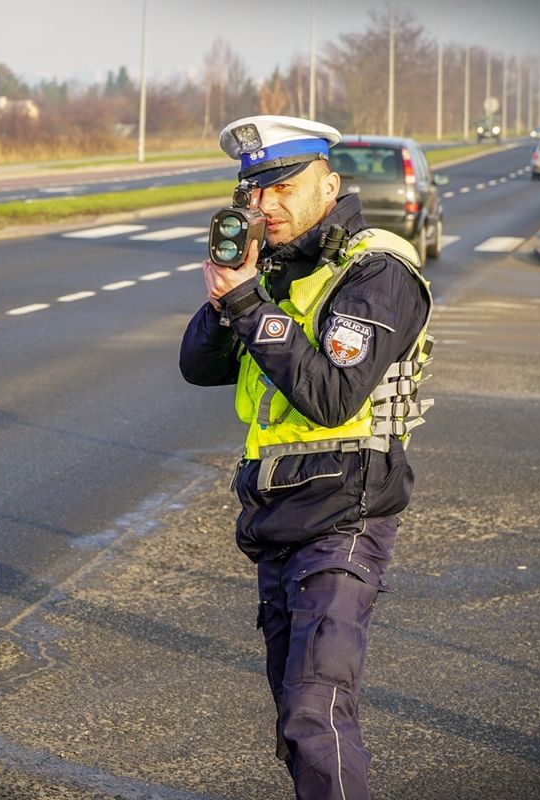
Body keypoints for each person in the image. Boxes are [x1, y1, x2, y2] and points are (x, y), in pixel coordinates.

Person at [179, 115, 434, 799]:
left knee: (315, 715)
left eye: (283, 187)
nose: (266, 206)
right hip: (275, 517)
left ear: (330, 184)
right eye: (252, 193)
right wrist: (231, 291)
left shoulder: (377, 270)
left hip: (345, 517)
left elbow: (331, 394)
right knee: (294, 724)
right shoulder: (276, 271)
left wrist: (247, 304)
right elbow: (197, 367)